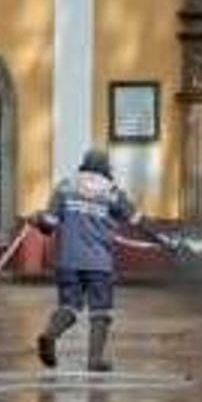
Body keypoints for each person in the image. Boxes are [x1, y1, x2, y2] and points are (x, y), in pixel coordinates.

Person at [33, 147, 148, 374]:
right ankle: (95, 360)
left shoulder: (66, 186)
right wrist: (163, 238)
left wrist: (37, 219)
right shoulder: (113, 192)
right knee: (101, 312)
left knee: (69, 307)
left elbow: (49, 224)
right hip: (99, 263)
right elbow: (137, 220)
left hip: (68, 261)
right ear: (106, 168)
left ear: (84, 164)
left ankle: (49, 335)